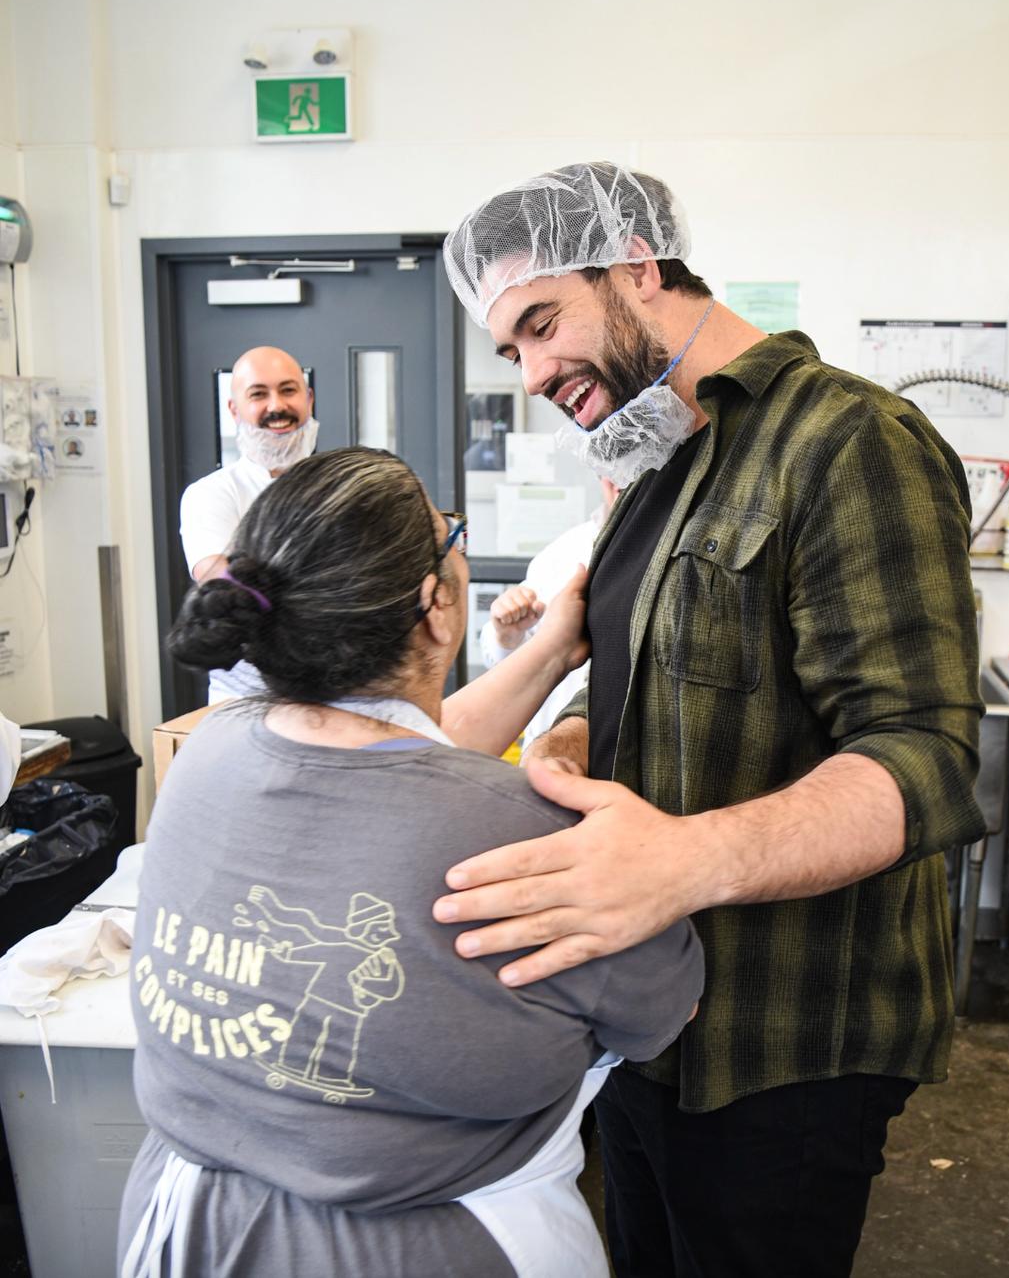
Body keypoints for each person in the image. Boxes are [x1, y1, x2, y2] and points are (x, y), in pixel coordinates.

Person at [437, 162, 986, 1277]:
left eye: (543, 325)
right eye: (512, 351)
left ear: (637, 265)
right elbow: (656, 674)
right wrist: (576, 737)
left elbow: (922, 755)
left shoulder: (849, 441)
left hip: (784, 1041)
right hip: (649, 1015)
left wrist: (685, 857)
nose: (535, 372)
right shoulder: (656, 465)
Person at [120, 446, 703, 1278]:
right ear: (438, 606)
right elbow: (663, 1007)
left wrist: (545, 652)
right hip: (433, 1248)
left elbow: (390, 750)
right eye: (451, 534)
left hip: (185, 1229)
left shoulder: (207, 753)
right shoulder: (527, 835)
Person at [178, 345, 317, 702]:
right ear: (234, 409)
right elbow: (221, 583)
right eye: (258, 394)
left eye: (288, 390)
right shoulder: (211, 494)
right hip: (249, 703)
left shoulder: (339, 484)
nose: (276, 406)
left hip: (337, 694)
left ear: (309, 398)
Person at [479, 477, 619, 745]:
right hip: (548, 754)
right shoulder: (562, 553)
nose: (620, 476)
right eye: (611, 465)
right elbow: (504, 658)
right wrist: (506, 636)